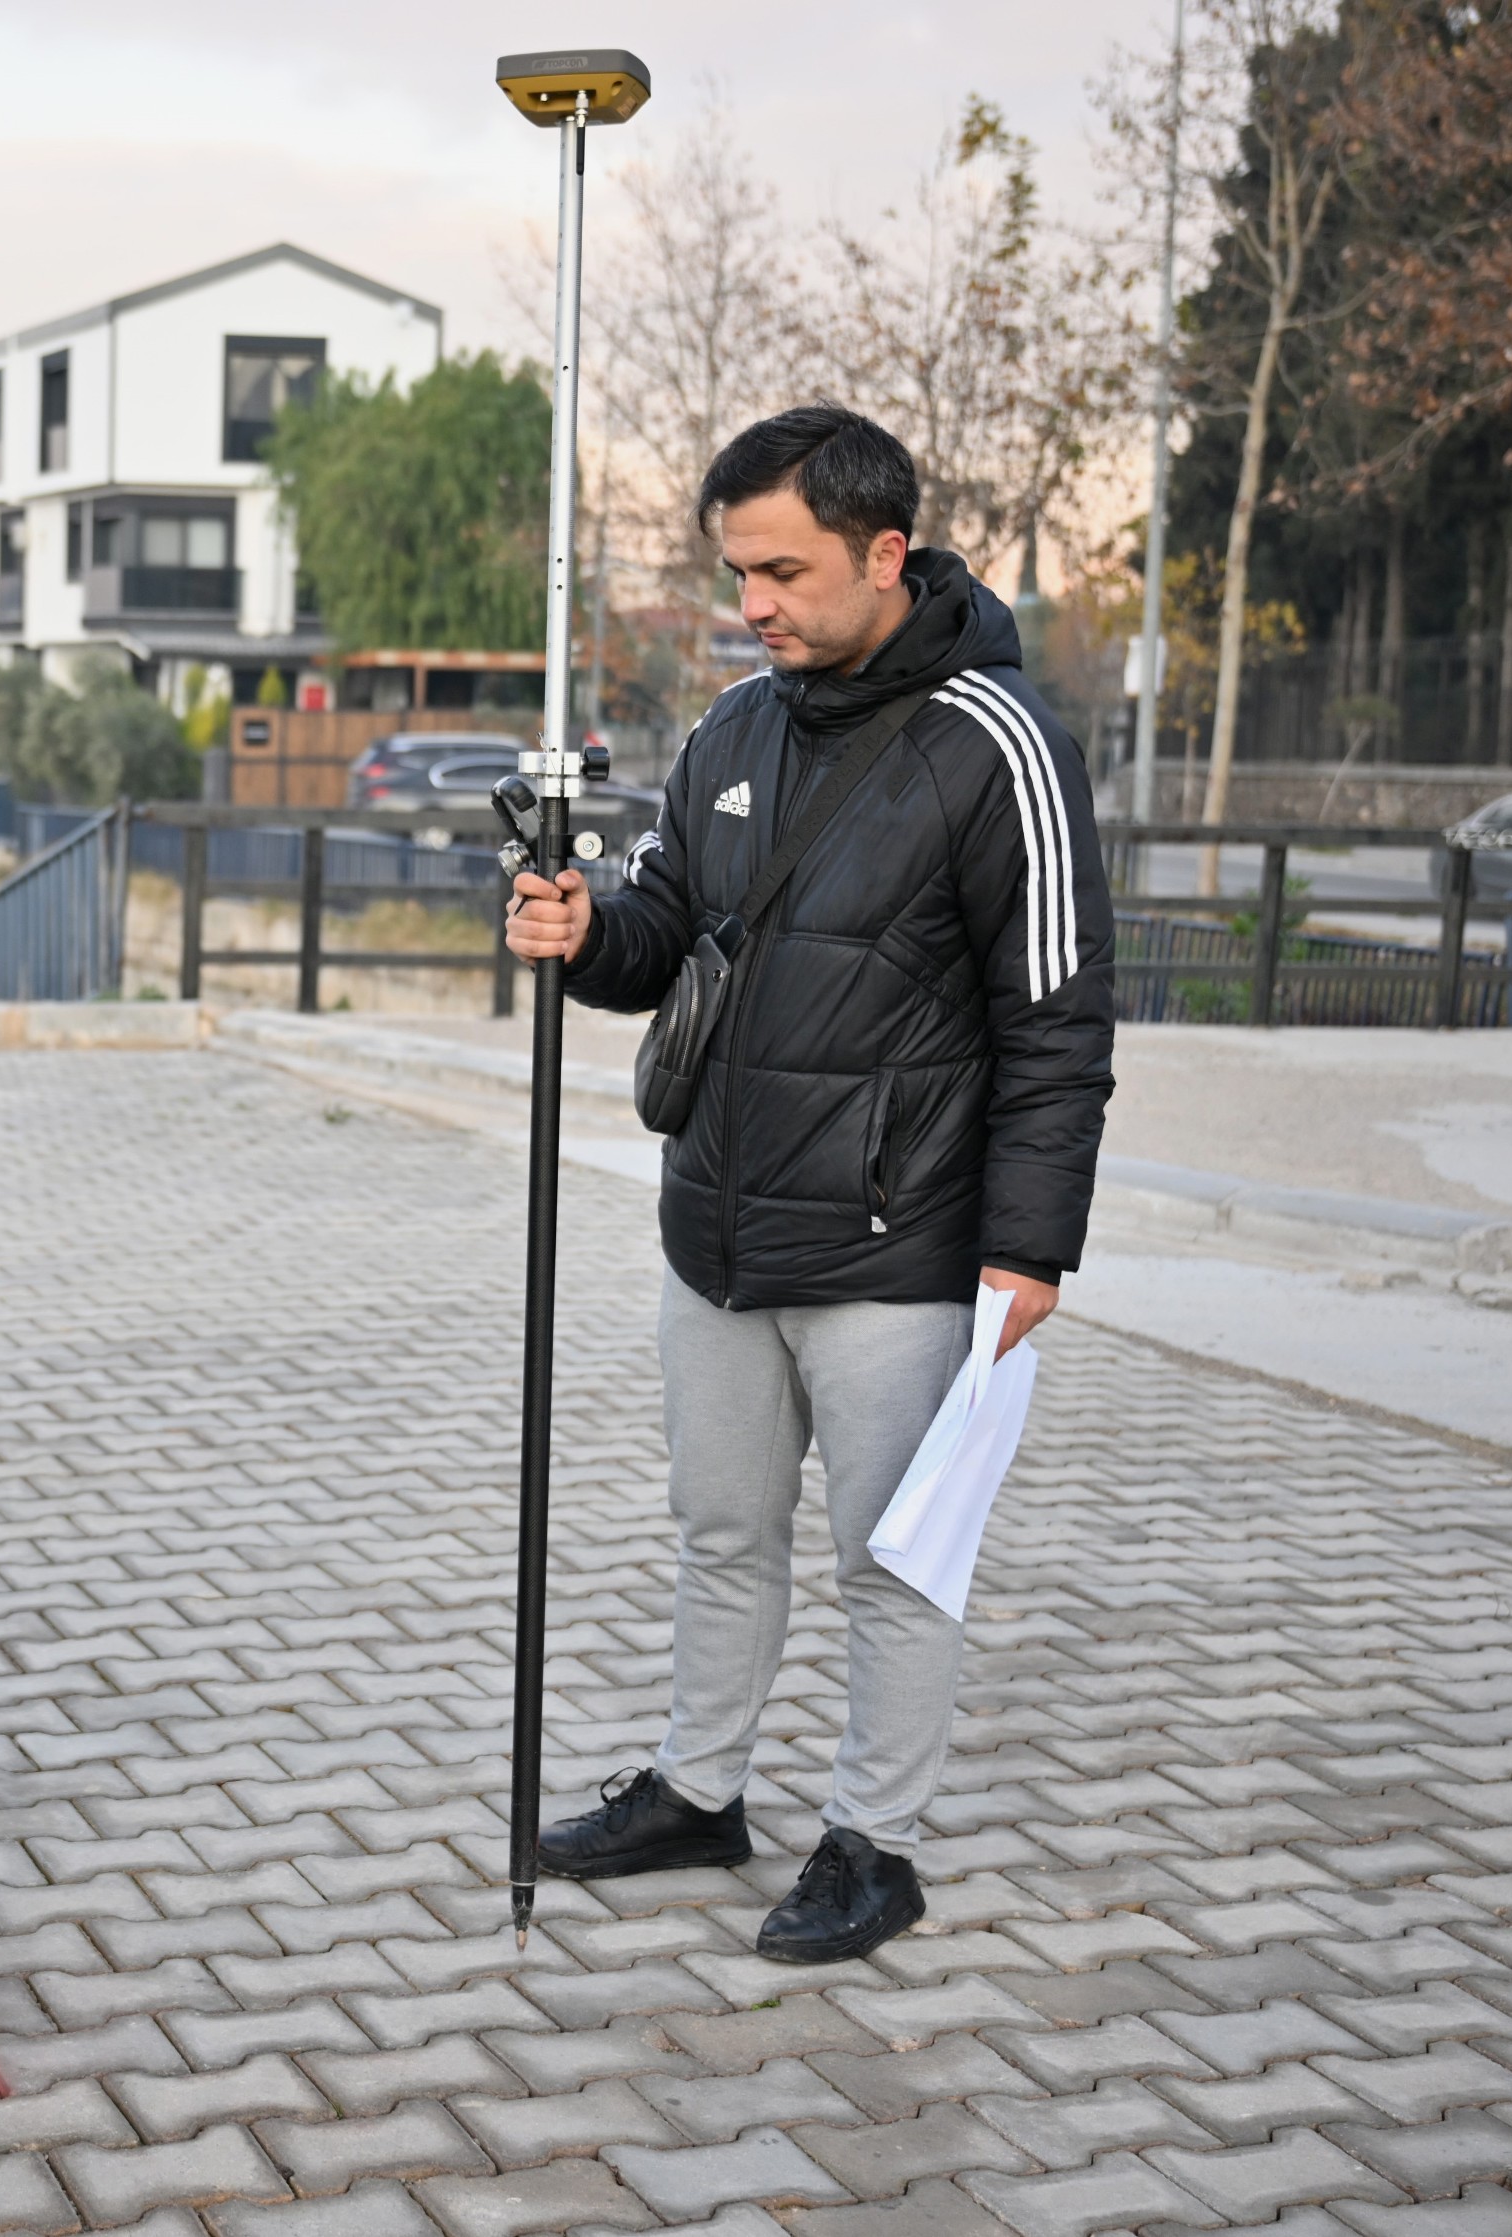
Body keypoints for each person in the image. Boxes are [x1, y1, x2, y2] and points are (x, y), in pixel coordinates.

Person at [504, 405, 1114, 1963]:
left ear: (885, 553)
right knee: (720, 1528)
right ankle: (701, 1791)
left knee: (888, 1562)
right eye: (737, 573)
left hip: (897, 1251)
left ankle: (875, 1843)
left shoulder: (1000, 746)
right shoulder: (730, 730)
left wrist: (1029, 1248)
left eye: (782, 570)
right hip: (714, 1233)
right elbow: (660, 937)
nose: (753, 603)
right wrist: (583, 936)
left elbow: (1056, 1021)